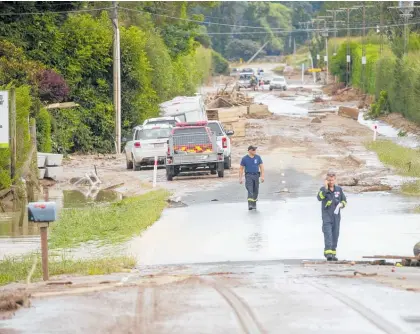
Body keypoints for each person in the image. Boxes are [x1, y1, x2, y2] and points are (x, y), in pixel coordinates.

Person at [317, 171, 347, 261]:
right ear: (326, 180)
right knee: (328, 234)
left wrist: (342, 204)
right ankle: (328, 254)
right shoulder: (323, 189)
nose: (331, 182)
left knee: (335, 235)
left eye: (332, 180)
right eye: (329, 180)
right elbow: (319, 198)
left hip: (336, 217)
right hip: (327, 216)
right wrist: (326, 188)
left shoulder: (338, 189)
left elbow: (344, 200)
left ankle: (333, 253)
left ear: (335, 180)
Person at [239, 146, 264, 210]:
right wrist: (240, 178)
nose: (255, 151)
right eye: (254, 150)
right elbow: (241, 169)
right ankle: (250, 204)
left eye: (255, 150)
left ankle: (254, 203)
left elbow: (261, 167)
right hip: (248, 175)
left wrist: (262, 176)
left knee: (256, 190)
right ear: (250, 151)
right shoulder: (244, 158)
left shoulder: (258, 157)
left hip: (256, 176)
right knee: (250, 189)